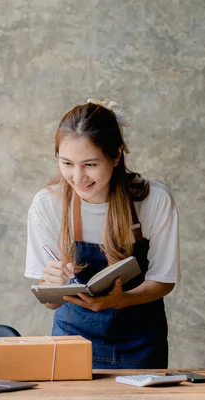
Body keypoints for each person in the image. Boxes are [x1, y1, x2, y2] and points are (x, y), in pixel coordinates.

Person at [25, 98, 180, 369]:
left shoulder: (154, 200)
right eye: (67, 163)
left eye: (90, 164)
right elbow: (50, 303)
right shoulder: (47, 204)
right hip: (72, 343)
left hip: (141, 344)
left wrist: (123, 299)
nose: (78, 177)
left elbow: (164, 280)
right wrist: (51, 286)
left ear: (116, 155)